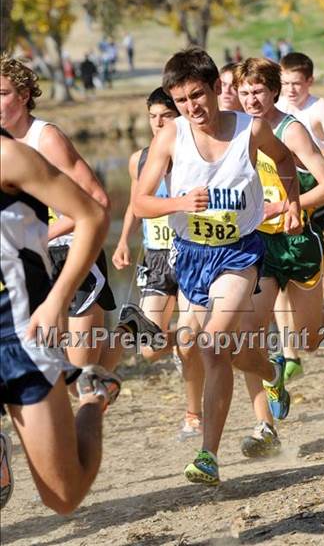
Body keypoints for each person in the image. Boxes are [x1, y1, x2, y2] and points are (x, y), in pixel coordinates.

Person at [132, 47, 302, 485]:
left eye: (197, 96)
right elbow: (140, 202)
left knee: (211, 347)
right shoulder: (170, 136)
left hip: (239, 254)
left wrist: (292, 203)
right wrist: (179, 202)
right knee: (228, 351)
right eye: (182, 101)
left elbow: (285, 160)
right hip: (190, 255)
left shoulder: (250, 130)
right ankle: (273, 371)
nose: (192, 108)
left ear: (213, 88)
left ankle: (208, 455)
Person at [0, 55, 155, 375]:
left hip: (71, 253)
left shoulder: (45, 138)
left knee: (81, 373)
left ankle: (127, 332)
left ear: (24, 95)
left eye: (2, 93)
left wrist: (43, 235)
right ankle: (129, 328)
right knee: (49, 370)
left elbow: (98, 202)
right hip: (29, 265)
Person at [233, 58, 324, 457]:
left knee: (306, 337)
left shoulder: (291, 130)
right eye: (244, 92)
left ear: (273, 91)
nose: (250, 99)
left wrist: (286, 207)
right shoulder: (237, 132)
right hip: (259, 248)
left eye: (258, 91)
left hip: (299, 244)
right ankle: (265, 425)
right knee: (250, 332)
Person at [0, 127, 121, 513]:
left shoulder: (10, 156)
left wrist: (58, 299)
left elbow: (92, 214)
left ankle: (93, 395)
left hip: (19, 336)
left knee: (63, 497)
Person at [112, 87, 204, 440]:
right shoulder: (140, 158)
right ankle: (186, 347)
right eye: (152, 116)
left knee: (189, 341)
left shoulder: (192, 154)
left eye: (164, 116)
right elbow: (137, 203)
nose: (157, 123)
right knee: (150, 348)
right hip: (156, 256)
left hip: (192, 251)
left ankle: (193, 416)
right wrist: (122, 241)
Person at [278, 52, 324, 320]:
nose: (290, 90)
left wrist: (305, 149)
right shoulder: (277, 107)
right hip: (287, 199)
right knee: (284, 279)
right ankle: (290, 353)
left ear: (310, 81)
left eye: (296, 83)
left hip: (320, 198)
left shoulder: (320, 107)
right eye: (285, 83)